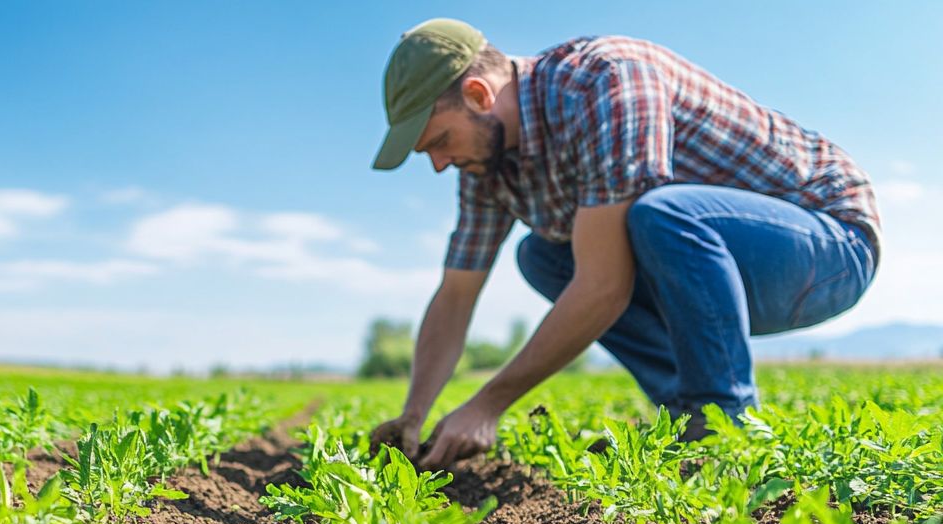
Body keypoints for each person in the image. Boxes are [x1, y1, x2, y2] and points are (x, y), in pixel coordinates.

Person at [367, 19, 880, 469]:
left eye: (439, 141)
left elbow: (605, 287)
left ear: (480, 96)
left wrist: (487, 404)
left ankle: (722, 423)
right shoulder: (487, 166)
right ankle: (685, 414)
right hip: (718, 269)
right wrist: (415, 414)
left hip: (828, 246)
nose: (438, 163)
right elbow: (457, 294)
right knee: (543, 257)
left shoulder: (605, 81)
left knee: (659, 214)